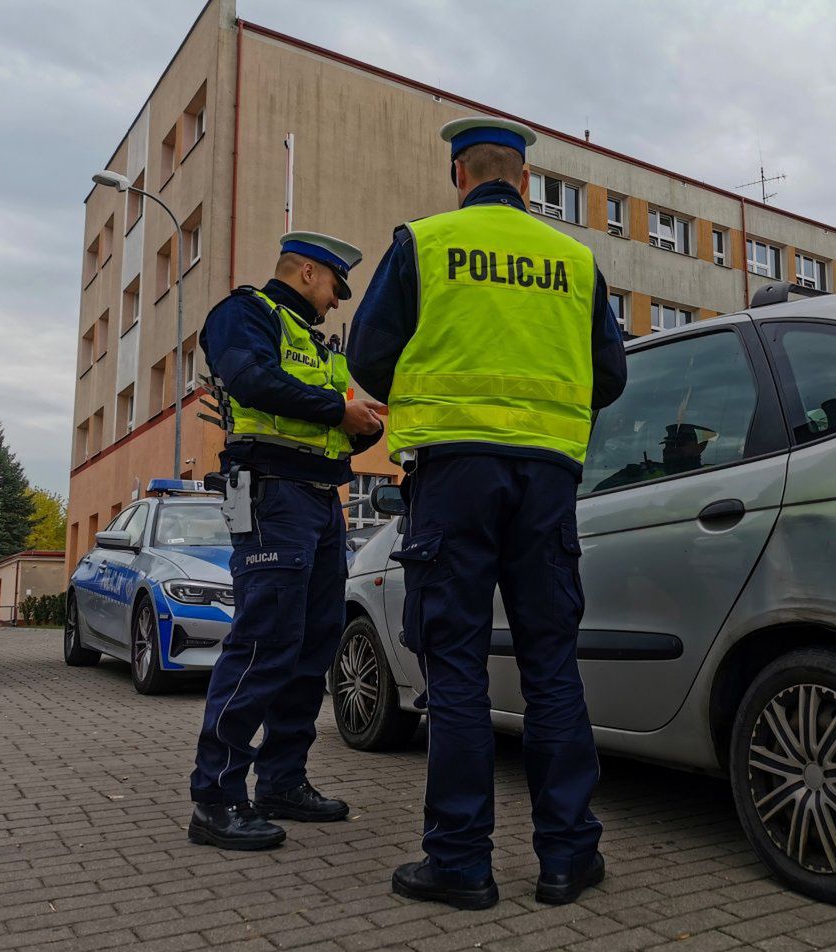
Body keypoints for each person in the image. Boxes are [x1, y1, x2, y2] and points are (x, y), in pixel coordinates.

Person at [348, 116, 627, 910]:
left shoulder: (426, 243)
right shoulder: (576, 260)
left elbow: (369, 354)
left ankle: (463, 862)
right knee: (550, 663)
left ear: (459, 177)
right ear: (526, 183)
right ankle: (569, 857)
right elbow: (609, 375)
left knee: (458, 665)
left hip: (453, 474)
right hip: (546, 477)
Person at [187, 232, 386, 850]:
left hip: (323, 502)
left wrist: (361, 423)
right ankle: (216, 798)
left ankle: (281, 781)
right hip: (273, 495)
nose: (334, 303)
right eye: (332, 287)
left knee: (313, 643)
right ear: (305, 272)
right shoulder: (244, 315)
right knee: (264, 643)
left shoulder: (321, 348)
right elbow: (251, 382)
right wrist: (337, 410)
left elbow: (339, 430)